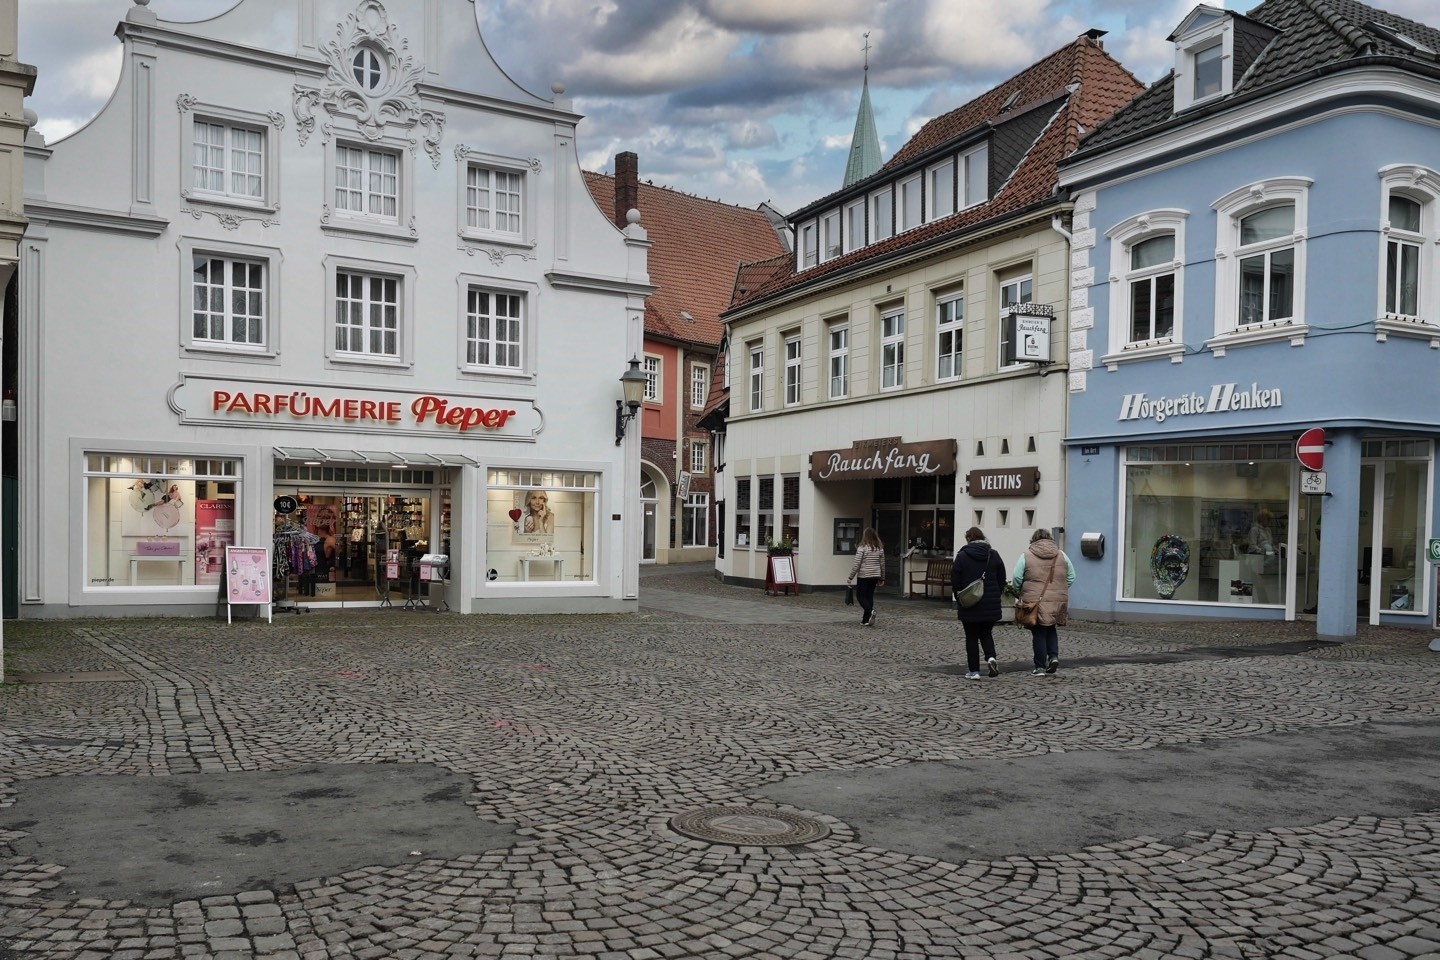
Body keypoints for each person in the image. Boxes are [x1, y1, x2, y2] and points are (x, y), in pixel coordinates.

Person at [1011, 528, 1075, 676]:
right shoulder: (1061, 555)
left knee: (1039, 631)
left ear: (1033, 540)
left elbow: (1017, 578)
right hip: (1058, 600)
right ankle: (1053, 657)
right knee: (1051, 627)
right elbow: (1072, 576)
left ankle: (1040, 667)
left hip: (1034, 600)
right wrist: (1059, 590)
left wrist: (1019, 591)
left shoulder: (1026, 555)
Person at [951, 526, 1005, 679]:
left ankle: (974, 671)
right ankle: (991, 657)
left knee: (971, 636)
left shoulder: (962, 556)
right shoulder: (993, 555)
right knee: (986, 633)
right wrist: (995, 594)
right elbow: (1002, 578)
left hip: (970, 603)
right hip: (990, 604)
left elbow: (955, 579)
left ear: (968, 539)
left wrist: (959, 595)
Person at [846, 527, 886, 627]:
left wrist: (851, 577)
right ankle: (865, 620)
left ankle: (870, 610)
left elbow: (857, 564)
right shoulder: (879, 548)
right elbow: (882, 564)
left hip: (864, 575)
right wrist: (882, 578)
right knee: (869, 596)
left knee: (860, 596)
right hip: (875, 575)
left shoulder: (862, 548)